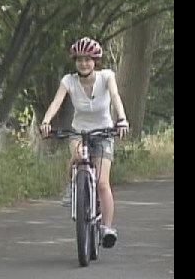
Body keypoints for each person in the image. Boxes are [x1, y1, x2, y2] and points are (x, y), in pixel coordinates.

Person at [38, 36, 129, 249]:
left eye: (88, 59)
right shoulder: (68, 81)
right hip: (79, 130)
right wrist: (46, 121)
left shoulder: (106, 77)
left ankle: (107, 227)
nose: (84, 63)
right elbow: (56, 102)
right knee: (78, 156)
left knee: (102, 183)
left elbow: (115, 97)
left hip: (103, 132)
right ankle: (73, 187)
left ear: (95, 60)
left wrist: (122, 119)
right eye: (79, 60)